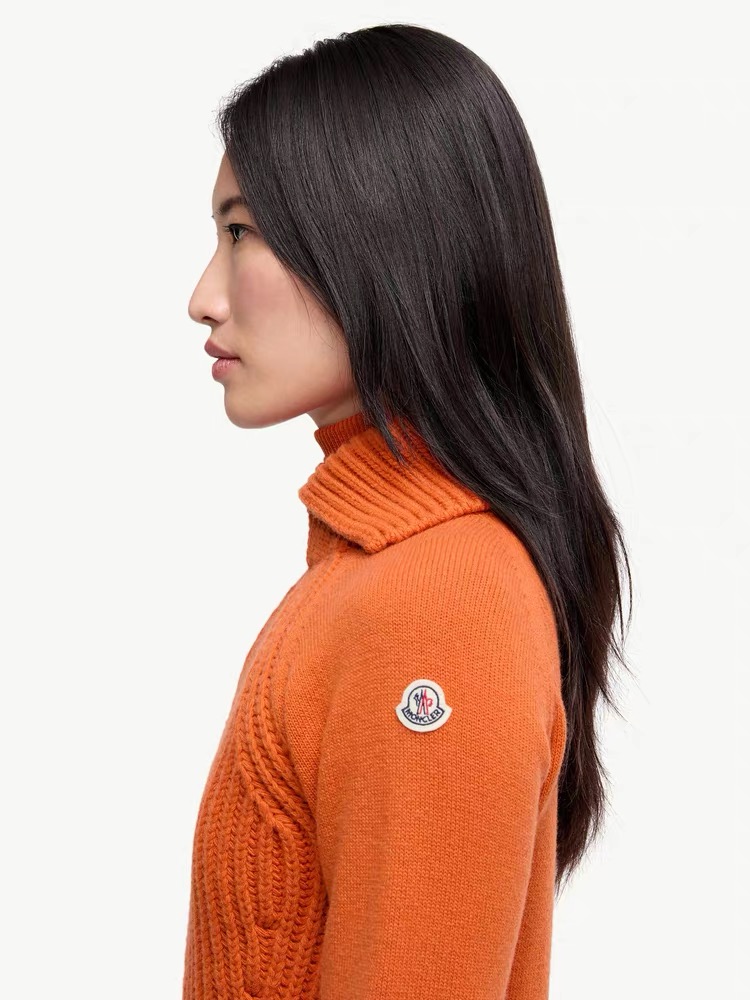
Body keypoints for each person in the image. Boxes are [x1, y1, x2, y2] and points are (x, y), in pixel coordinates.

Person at [184, 22, 631, 1000]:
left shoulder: (438, 599)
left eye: (240, 232)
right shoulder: (384, 575)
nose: (202, 297)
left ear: (374, 235)